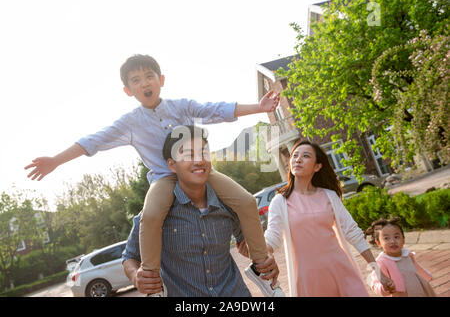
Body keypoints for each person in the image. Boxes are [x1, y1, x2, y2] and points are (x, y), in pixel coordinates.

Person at [24, 54, 280, 296]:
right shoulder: (130, 122)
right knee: (151, 215)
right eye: (136, 80)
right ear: (128, 90)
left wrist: (259, 107)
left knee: (246, 200)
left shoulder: (181, 106)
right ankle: (153, 282)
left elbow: (215, 110)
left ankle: (261, 265)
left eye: (149, 76)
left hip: (200, 170)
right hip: (164, 178)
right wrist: (56, 160)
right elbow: (95, 140)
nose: (144, 83)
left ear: (161, 80)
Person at [122, 125, 283, 296]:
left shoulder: (230, 204)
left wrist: (264, 260)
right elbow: (130, 257)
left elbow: (244, 244)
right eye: (188, 155)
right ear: (172, 164)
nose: (198, 160)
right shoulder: (156, 214)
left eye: (203, 153)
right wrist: (135, 276)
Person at [238, 140, 395, 296]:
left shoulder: (329, 196)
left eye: (305, 156)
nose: (298, 159)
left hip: (341, 270)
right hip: (308, 279)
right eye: (295, 156)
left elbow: (352, 232)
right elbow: (273, 237)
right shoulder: (280, 202)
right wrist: (257, 249)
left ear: (317, 166)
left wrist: (379, 272)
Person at [365, 217, 437, 297]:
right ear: (378, 243)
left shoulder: (406, 254)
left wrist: (427, 276)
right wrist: (383, 288)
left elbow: (416, 268)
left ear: (403, 239)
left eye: (396, 237)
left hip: (418, 289)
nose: (393, 241)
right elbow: (375, 283)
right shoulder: (381, 262)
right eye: (386, 238)